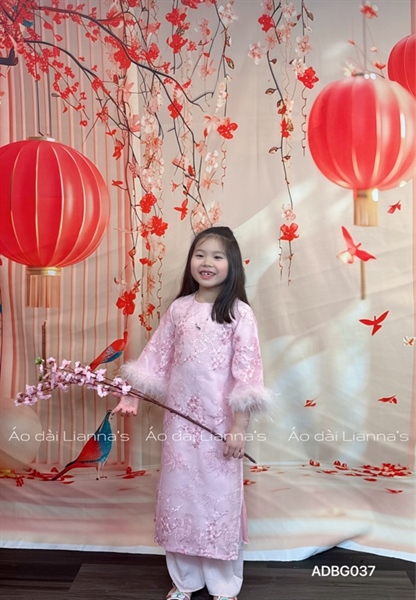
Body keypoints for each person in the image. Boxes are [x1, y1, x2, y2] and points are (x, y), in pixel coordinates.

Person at [113, 226, 272, 600]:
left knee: (217, 497)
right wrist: (131, 397)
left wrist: (239, 427)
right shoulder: (179, 310)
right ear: (190, 261)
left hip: (220, 426)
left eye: (217, 256)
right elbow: (155, 358)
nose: (207, 262)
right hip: (180, 425)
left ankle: (223, 585)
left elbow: (248, 375)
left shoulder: (239, 313)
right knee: (180, 495)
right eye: (200, 254)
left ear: (232, 265)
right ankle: (185, 581)